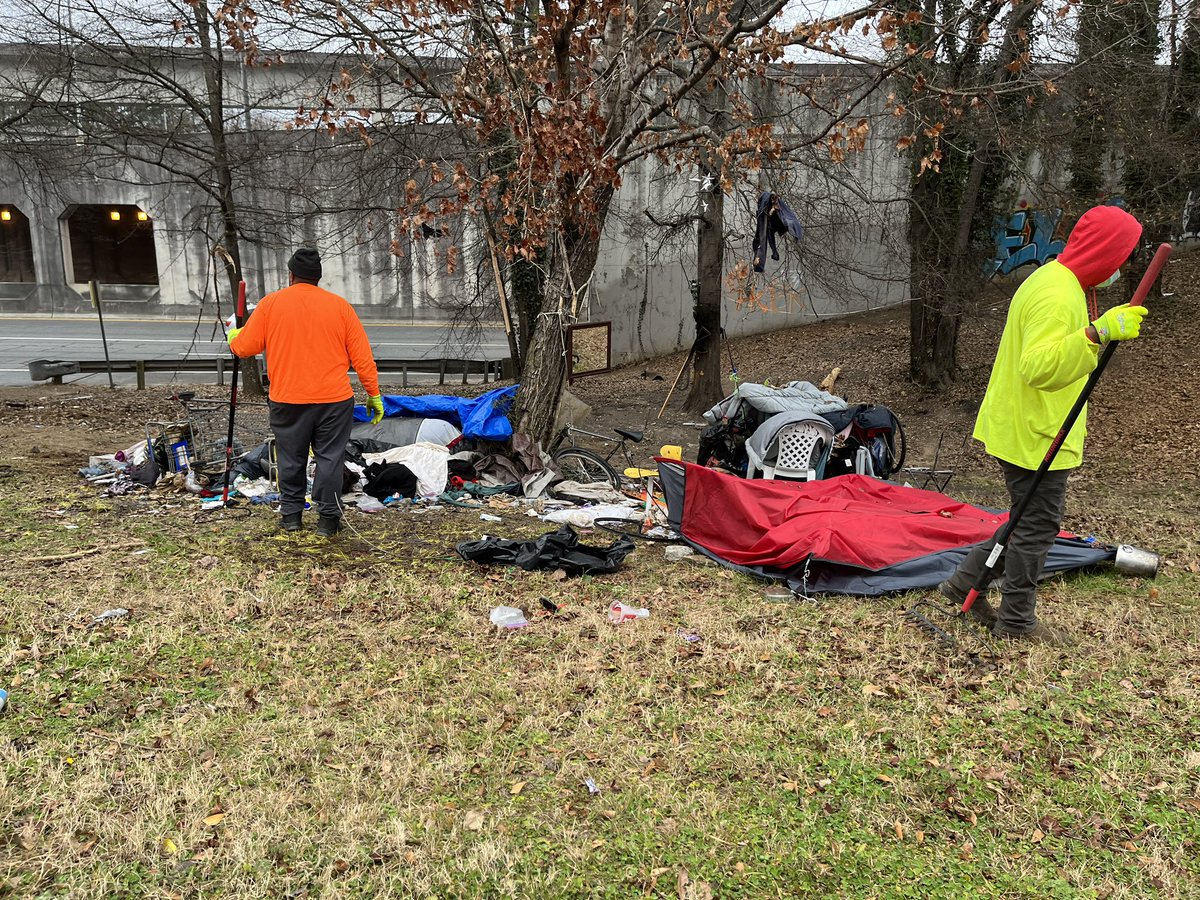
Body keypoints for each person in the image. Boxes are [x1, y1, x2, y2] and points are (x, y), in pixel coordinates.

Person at [938, 205, 1149, 643]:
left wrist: (1094, 330)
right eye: (1122, 256)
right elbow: (1038, 367)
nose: (1122, 267)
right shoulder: (1058, 294)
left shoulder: (1058, 279)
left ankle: (962, 583)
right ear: (1105, 252)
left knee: (1024, 520)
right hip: (1034, 432)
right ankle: (1017, 621)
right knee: (1037, 527)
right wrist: (1097, 335)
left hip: (1028, 425)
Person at [228, 248, 385, 536]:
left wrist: (233, 335)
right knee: (329, 459)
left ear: (291, 275)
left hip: (288, 399)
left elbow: (244, 347)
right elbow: (362, 357)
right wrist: (373, 394)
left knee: (291, 458)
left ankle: (291, 517)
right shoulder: (340, 307)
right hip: (334, 401)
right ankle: (327, 522)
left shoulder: (271, 304)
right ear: (318, 277)